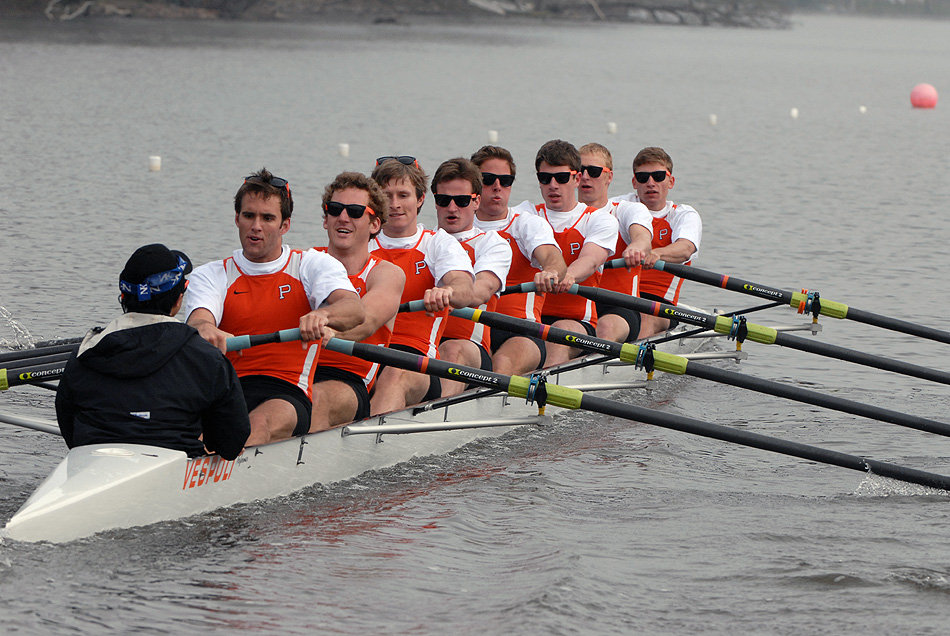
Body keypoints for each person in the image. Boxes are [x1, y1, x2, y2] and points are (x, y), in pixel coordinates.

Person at [184, 168, 364, 446]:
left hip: (287, 391)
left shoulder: (311, 265)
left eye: (268, 218)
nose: (256, 226)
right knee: (190, 437)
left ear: (285, 226)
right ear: (237, 219)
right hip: (226, 390)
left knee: (257, 425)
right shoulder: (211, 274)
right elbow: (199, 320)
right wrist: (206, 329)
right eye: (249, 216)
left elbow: (354, 309)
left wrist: (322, 314)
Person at [56, 244, 249, 461]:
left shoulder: (85, 353)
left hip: (93, 461)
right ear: (178, 300)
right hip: (174, 467)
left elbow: (68, 427)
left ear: (123, 296)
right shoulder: (208, 358)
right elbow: (232, 443)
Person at [369, 157, 475, 414]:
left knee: (395, 375)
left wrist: (446, 291)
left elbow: (463, 286)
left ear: (419, 199)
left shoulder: (439, 244)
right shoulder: (362, 245)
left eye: (403, 195)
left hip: (416, 359)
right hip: (364, 351)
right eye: (387, 195)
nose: (394, 205)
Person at [310, 172, 406, 431]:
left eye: (354, 211)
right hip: (293, 372)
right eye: (335, 209)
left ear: (375, 224)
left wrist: (329, 331)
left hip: (349, 380)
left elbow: (366, 321)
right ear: (326, 219)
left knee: (314, 399)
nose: (343, 217)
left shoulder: (386, 274)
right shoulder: (305, 262)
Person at [471, 145, 566, 375]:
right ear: (473, 185)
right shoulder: (457, 229)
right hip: (470, 330)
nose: (497, 187)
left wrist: (551, 271)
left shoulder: (525, 223)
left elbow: (553, 258)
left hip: (521, 330)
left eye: (505, 180)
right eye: (488, 179)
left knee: (500, 366)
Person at [522, 139, 619, 367]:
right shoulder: (525, 216)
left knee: (557, 333)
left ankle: (546, 394)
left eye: (562, 178)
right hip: (529, 319)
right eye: (545, 178)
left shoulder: (598, 219)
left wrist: (568, 275)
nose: (553, 185)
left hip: (577, 321)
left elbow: (591, 259)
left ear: (576, 179)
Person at [431, 157, 512, 396]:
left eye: (462, 200)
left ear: (476, 201)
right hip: (421, 346)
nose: (452, 208)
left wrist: (450, 293)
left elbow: (480, 291)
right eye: (444, 200)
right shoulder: (425, 242)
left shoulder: (492, 244)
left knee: (451, 351)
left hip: (469, 347)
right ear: (434, 201)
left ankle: (432, 419)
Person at [612, 147, 702, 336]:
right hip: (616, 297)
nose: (651, 183)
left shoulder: (682, 215)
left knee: (644, 318)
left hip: (658, 302)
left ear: (671, 181)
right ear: (634, 182)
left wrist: (657, 254)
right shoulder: (618, 206)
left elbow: (685, 249)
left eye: (658, 176)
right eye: (643, 177)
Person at [576, 142, 653, 343]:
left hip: (619, 307)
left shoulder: (626, 210)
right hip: (573, 306)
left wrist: (636, 247)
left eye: (593, 171)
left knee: (605, 327)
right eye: (580, 170)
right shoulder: (560, 217)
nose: (585, 177)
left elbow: (642, 236)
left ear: (609, 177)